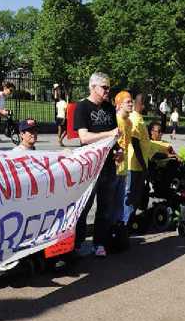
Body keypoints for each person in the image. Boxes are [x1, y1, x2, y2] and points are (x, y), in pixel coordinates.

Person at [72, 72, 121, 258]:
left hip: (108, 164)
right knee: (84, 206)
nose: (108, 91)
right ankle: (77, 243)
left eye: (109, 87)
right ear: (93, 87)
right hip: (90, 166)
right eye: (104, 87)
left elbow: (114, 135)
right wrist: (109, 134)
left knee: (105, 207)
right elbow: (84, 137)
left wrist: (117, 149)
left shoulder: (109, 108)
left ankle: (99, 243)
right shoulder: (82, 107)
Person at [124, 92, 170, 228]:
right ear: (142, 104)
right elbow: (135, 142)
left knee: (135, 198)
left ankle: (127, 225)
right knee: (130, 198)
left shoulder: (139, 118)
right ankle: (123, 226)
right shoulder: (135, 119)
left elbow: (146, 143)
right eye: (147, 103)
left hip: (138, 165)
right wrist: (144, 165)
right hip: (134, 166)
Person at [112, 91, 134, 229]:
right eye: (128, 102)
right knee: (112, 201)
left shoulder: (129, 122)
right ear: (119, 105)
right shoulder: (116, 121)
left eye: (131, 101)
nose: (131, 104)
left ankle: (119, 229)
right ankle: (110, 230)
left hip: (124, 168)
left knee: (121, 201)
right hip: (114, 168)